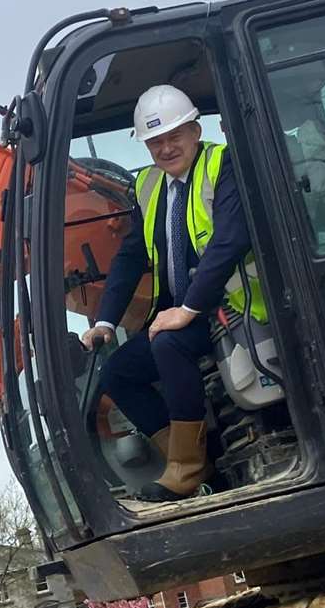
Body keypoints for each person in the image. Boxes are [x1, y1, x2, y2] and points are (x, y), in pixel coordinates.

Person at [82, 84, 266, 501]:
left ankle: (185, 470)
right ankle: (194, 459)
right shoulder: (148, 186)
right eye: (155, 142)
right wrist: (105, 321)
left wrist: (186, 309)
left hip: (234, 305)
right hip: (181, 311)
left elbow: (230, 241)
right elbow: (131, 257)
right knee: (118, 373)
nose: (166, 149)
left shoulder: (223, 165)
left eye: (174, 137)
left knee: (169, 342)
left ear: (195, 131)